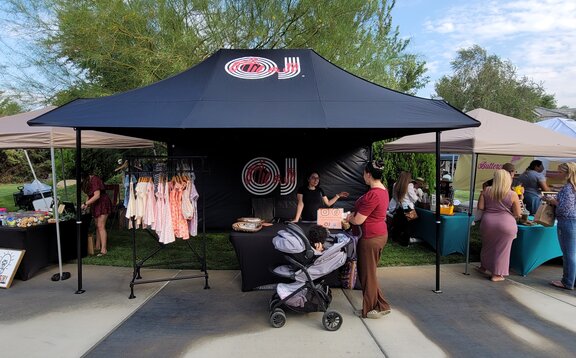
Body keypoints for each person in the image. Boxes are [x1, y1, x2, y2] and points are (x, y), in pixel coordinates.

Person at [345, 161, 390, 319]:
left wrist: (349, 217)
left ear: (368, 174)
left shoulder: (373, 194)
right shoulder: (383, 190)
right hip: (378, 235)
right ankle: (381, 305)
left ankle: (371, 309)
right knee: (369, 273)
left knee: (367, 274)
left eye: (364, 173)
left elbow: (358, 220)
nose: (363, 176)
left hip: (370, 238)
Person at [476, 169, 522, 282]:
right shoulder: (513, 194)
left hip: (488, 222)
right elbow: (517, 214)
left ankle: (483, 267)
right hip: (506, 224)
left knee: (487, 246)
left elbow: (481, 207)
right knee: (502, 250)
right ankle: (497, 274)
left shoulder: (486, 190)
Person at [545, 162, 576, 290]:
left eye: (559, 171)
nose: (558, 174)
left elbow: (565, 208)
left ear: (566, 172)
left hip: (567, 222)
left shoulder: (568, 188)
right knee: (573, 253)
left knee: (569, 253)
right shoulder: (573, 187)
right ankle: (572, 280)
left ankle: (567, 281)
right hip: (572, 221)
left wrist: (552, 201)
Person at [81, 171, 113, 256]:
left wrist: (86, 204)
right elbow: (89, 195)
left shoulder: (94, 179)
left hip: (102, 202)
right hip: (95, 204)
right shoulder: (87, 181)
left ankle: (103, 249)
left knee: (101, 226)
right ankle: (97, 246)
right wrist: (86, 204)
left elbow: (97, 195)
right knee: (97, 225)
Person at [389, 171, 419, 246]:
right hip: (408, 207)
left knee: (398, 225)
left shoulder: (395, 184)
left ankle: (395, 239)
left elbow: (394, 197)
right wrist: (417, 194)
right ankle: (405, 242)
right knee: (410, 226)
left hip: (400, 206)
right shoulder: (409, 185)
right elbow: (414, 198)